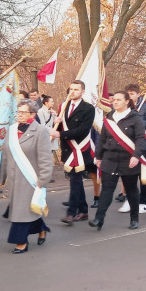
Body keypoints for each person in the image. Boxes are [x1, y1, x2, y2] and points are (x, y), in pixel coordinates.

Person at [0, 99, 53, 253]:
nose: (19, 115)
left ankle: (20, 241)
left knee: (21, 212)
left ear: (33, 114)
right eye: (18, 111)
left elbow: (45, 158)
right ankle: (41, 227)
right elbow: (6, 155)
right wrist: (1, 177)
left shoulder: (40, 131)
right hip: (14, 178)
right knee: (25, 210)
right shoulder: (12, 129)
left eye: (23, 112)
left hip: (30, 179)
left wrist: (43, 179)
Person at [90, 91, 146, 231]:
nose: (114, 102)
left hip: (128, 159)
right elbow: (102, 139)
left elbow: (140, 139)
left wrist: (136, 155)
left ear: (127, 101)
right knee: (107, 190)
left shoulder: (135, 118)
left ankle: (134, 217)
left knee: (131, 190)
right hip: (109, 158)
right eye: (114, 100)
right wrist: (98, 157)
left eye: (118, 100)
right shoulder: (109, 117)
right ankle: (99, 218)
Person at [51, 81, 95, 225]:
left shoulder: (88, 108)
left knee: (75, 180)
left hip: (80, 149)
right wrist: (56, 122)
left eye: (76, 89)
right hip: (68, 149)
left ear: (83, 92)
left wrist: (60, 134)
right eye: (71, 89)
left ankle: (71, 213)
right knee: (76, 181)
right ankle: (83, 211)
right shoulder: (64, 106)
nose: (72, 92)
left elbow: (83, 130)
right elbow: (61, 125)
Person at [118, 83, 146, 216]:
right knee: (129, 175)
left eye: (132, 93)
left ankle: (143, 203)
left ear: (138, 94)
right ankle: (130, 200)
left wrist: (139, 120)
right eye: (128, 93)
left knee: (144, 176)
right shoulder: (125, 109)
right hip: (128, 146)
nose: (130, 96)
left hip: (145, 147)